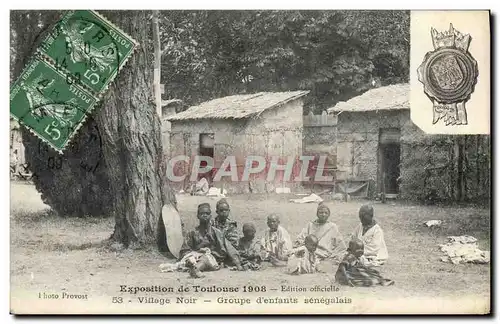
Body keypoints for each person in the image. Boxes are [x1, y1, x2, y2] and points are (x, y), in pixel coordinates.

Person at [178, 203, 242, 278]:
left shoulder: (216, 232)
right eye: (202, 213)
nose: (205, 215)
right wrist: (198, 252)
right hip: (195, 257)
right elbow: (184, 250)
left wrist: (237, 263)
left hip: (212, 258)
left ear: (210, 216)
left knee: (205, 259)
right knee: (190, 259)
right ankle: (193, 266)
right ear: (198, 216)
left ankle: (196, 270)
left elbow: (228, 247)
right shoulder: (192, 232)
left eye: (207, 213)